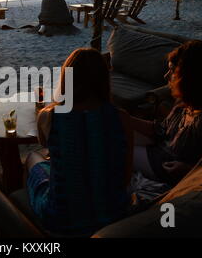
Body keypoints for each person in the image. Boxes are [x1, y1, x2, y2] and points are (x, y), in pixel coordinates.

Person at [25, 48, 131, 237]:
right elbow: (125, 176)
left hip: (63, 219)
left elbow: (45, 144)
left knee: (33, 158)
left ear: (67, 78)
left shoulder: (49, 116)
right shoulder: (121, 118)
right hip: (114, 212)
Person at [130, 40, 202, 185]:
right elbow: (162, 131)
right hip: (160, 147)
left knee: (115, 146)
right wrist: (126, 119)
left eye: (172, 71)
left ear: (190, 77)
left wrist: (188, 168)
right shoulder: (188, 101)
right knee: (114, 131)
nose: (166, 76)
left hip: (167, 167)